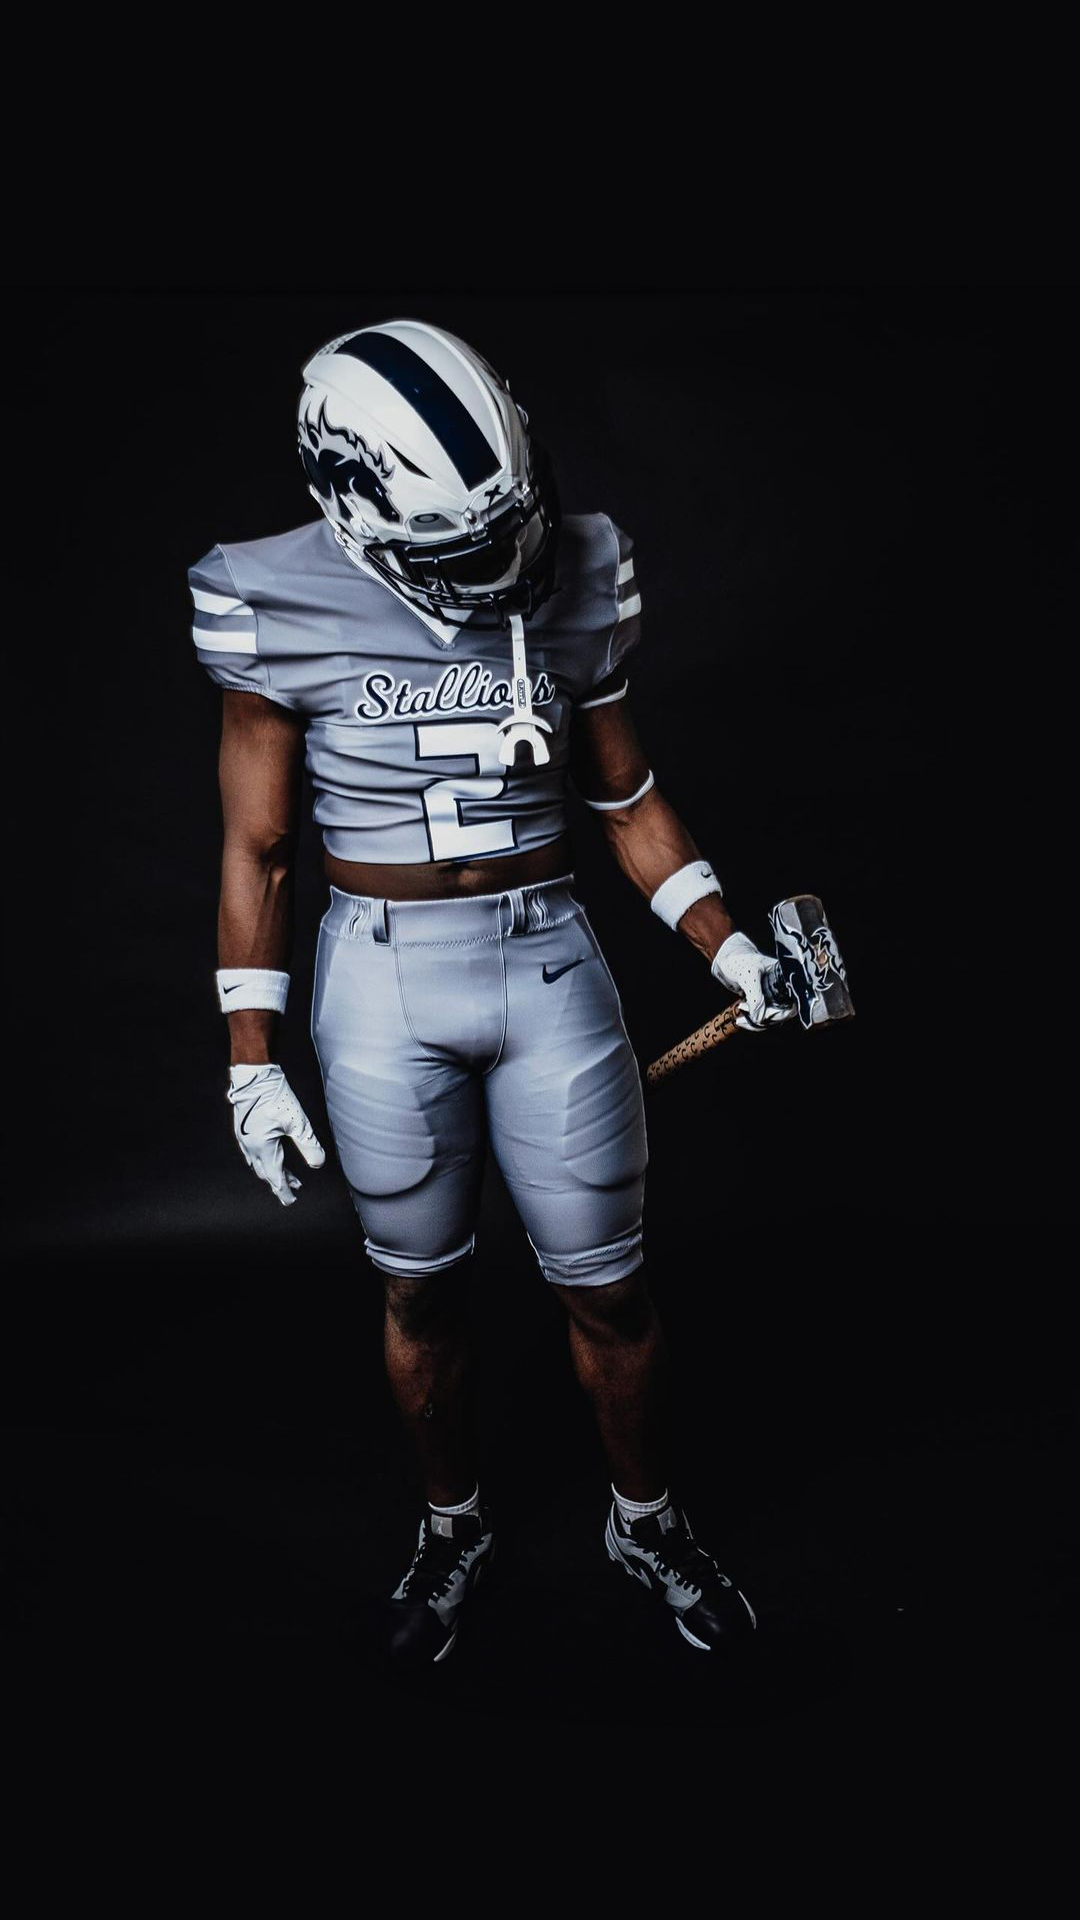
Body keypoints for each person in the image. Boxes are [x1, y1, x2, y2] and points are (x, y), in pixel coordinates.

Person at [189, 318, 793, 1671]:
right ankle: (453, 1523)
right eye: (451, 549)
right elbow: (261, 844)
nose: (494, 570)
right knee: (420, 1294)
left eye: (505, 529)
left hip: (548, 961)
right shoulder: (270, 593)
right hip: (380, 983)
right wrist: (249, 1056)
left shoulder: (578, 561)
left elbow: (624, 795)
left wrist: (727, 946)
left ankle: (645, 1520)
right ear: (342, 502)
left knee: (612, 1290)